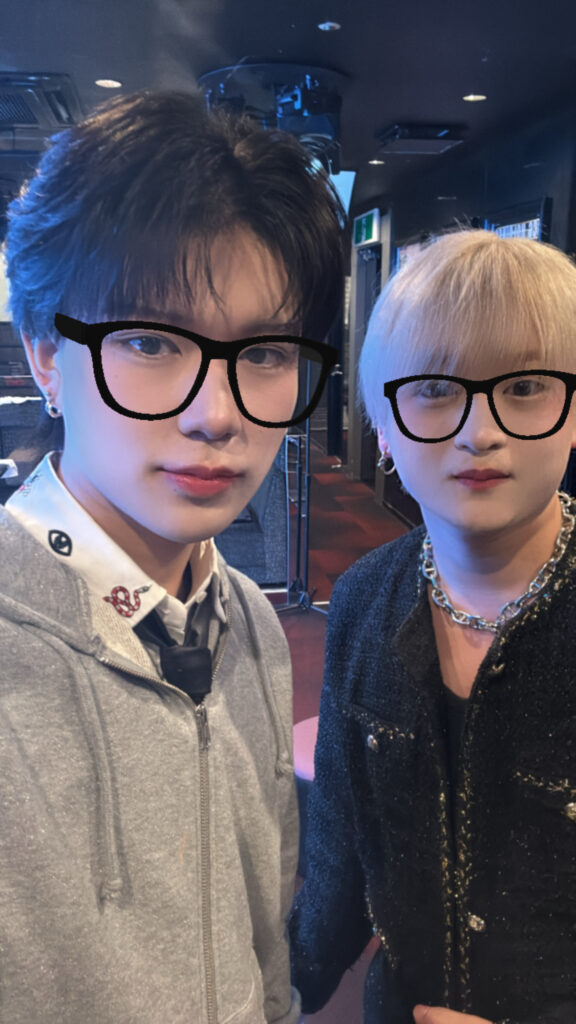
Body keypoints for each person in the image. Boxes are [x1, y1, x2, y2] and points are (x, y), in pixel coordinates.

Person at [0, 89, 344, 1024]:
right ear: (45, 355)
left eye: (266, 352)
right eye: (151, 341)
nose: (215, 414)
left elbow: (266, 934)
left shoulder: (250, 623)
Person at [290, 229, 576, 1024]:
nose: (479, 432)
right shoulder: (363, 599)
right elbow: (339, 857)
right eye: (435, 389)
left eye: (525, 387)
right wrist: (270, 996)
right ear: (383, 426)